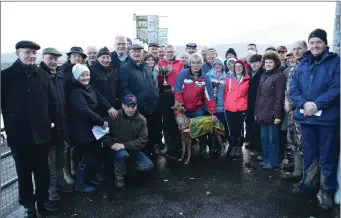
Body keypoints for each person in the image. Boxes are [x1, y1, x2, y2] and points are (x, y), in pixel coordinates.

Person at [1, 40, 60, 217]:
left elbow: (53, 103)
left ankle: (43, 202)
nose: (31, 56)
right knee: (23, 174)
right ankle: (28, 205)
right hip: (19, 137)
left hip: (41, 135)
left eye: (34, 53)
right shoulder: (6, 76)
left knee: (43, 173)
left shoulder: (43, 75)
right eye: (27, 52)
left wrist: (55, 129)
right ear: (18, 53)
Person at [290, 29, 340, 210]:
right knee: (310, 154)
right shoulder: (302, 64)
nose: (314, 46)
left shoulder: (335, 62)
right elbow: (293, 88)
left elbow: (336, 88)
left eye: (318, 42)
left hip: (327, 119)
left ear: (325, 44)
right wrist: (304, 104)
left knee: (327, 156)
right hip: (307, 119)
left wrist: (316, 104)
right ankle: (309, 185)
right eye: (311, 43)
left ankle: (326, 191)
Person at [69, 64, 111, 192]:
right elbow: (84, 110)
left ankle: (90, 178)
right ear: (76, 77)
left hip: (91, 129)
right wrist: (101, 121)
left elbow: (100, 98)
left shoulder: (88, 87)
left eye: (87, 74)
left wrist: (109, 108)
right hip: (83, 129)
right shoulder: (76, 92)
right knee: (87, 156)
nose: (86, 77)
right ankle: (80, 184)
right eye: (82, 75)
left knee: (93, 154)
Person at [40, 47, 74, 201]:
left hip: (62, 124)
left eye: (55, 59)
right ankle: (51, 191)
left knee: (60, 158)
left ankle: (60, 183)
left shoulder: (60, 76)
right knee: (49, 161)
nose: (53, 62)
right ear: (43, 58)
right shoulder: (40, 76)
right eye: (50, 58)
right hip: (48, 126)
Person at [102, 94, 154, 188]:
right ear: (122, 105)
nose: (130, 110)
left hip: (132, 149)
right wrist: (111, 144)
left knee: (148, 165)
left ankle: (128, 166)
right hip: (117, 150)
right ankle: (119, 176)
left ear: (136, 106)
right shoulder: (114, 116)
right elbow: (102, 132)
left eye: (133, 106)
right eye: (127, 106)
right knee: (122, 155)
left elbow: (143, 140)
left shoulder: (142, 120)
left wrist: (124, 145)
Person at [174, 53, 217, 156]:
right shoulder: (182, 74)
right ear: (190, 63)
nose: (195, 65)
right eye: (193, 63)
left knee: (201, 128)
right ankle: (187, 149)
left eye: (198, 63)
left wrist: (213, 113)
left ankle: (203, 149)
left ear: (201, 64)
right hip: (183, 109)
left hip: (197, 109)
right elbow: (178, 92)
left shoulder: (205, 77)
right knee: (184, 131)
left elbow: (209, 97)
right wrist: (181, 108)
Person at [120, 44, 159, 155]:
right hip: (139, 106)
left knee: (152, 130)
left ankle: (151, 152)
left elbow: (151, 82)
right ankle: (141, 156)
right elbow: (124, 87)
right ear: (129, 53)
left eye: (139, 51)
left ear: (143, 54)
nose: (137, 53)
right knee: (140, 132)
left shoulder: (145, 67)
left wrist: (156, 95)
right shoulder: (125, 68)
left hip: (152, 105)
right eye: (134, 51)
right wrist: (133, 102)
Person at [281, 40, 308, 182]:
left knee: (303, 143)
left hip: (302, 110)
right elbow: (288, 89)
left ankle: (304, 176)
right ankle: (297, 170)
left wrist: (296, 104)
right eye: (294, 49)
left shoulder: (307, 65)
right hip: (291, 111)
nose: (296, 52)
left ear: (306, 49)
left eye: (299, 49)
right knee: (293, 140)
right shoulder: (293, 68)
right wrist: (286, 101)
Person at [255, 51, 286, 169]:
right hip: (262, 112)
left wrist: (278, 115)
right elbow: (258, 97)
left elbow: (279, 97)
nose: (268, 64)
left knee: (273, 139)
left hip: (272, 113)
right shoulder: (263, 75)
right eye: (266, 62)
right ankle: (267, 158)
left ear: (275, 63)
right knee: (264, 138)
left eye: (270, 62)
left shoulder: (279, 77)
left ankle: (274, 162)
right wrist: (256, 113)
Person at [158, 45, 184, 155]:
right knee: (168, 122)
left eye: (171, 52)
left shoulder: (180, 63)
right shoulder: (161, 63)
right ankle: (169, 146)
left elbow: (182, 77)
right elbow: (159, 78)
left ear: (175, 52)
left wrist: (176, 88)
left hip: (177, 95)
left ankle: (179, 145)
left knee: (178, 120)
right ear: (164, 53)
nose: (169, 53)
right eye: (167, 52)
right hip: (165, 96)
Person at [224, 59, 250, 157]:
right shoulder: (228, 79)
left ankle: (238, 146)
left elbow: (248, 94)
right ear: (233, 68)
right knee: (231, 128)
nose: (238, 68)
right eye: (236, 67)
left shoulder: (247, 79)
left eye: (240, 67)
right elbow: (226, 92)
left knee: (239, 128)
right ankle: (232, 145)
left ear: (243, 68)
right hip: (229, 107)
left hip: (241, 107)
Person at [90, 46, 120, 117]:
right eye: (103, 57)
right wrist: (108, 106)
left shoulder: (114, 70)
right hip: (100, 109)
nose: (106, 60)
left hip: (115, 109)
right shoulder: (92, 71)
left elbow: (118, 88)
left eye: (108, 57)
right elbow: (94, 91)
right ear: (98, 58)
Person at [246, 54, 264, 158]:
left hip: (258, 105)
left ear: (261, 63)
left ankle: (259, 150)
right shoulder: (250, 73)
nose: (254, 64)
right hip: (250, 104)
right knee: (251, 126)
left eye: (256, 62)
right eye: (252, 62)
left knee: (258, 128)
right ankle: (253, 145)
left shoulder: (262, 74)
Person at [206, 58, 227, 132]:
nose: (217, 66)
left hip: (222, 105)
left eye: (219, 64)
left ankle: (223, 141)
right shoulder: (208, 75)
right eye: (215, 64)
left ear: (222, 66)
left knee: (222, 125)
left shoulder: (226, 76)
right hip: (211, 105)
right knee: (212, 126)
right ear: (212, 66)